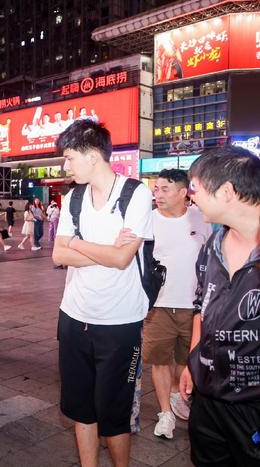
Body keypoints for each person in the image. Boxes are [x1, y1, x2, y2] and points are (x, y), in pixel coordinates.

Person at [52, 120, 152, 467]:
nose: (65, 166)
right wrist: (101, 250)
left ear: (92, 155)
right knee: (81, 407)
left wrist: (77, 243)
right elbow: (58, 254)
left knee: (115, 412)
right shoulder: (72, 198)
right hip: (74, 318)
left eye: (69, 158)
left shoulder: (136, 193)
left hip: (120, 323)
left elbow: (123, 258)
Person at [177, 147, 260, 466]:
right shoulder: (212, 245)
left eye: (196, 189)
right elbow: (202, 306)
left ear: (226, 192)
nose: (192, 198)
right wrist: (193, 361)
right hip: (207, 401)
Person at [135, 169, 212, 440]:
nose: (158, 194)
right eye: (156, 189)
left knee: (185, 360)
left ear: (183, 192)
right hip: (159, 305)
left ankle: (177, 393)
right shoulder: (147, 221)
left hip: (194, 308)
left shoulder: (201, 218)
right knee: (158, 360)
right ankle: (165, 413)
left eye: (165, 189)